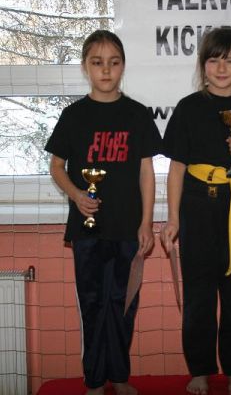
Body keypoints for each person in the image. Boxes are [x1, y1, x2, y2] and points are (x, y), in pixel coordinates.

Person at [45, 30, 162, 395]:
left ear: (123, 66)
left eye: (113, 62)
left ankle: (120, 376)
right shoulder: (73, 116)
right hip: (87, 230)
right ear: (85, 67)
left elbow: (146, 172)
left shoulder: (137, 114)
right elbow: (56, 166)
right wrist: (77, 195)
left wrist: (147, 223)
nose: (106, 70)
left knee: (123, 304)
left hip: (128, 228)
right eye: (97, 63)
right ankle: (94, 380)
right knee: (93, 304)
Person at [160, 27, 231, 395]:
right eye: (214, 60)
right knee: (199, 293)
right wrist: (172, 218)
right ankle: (200, 369)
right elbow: (176, 168)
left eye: (230, 60)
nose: (222, 68)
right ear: (202, 65)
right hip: (196, 206)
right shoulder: (188, 108)